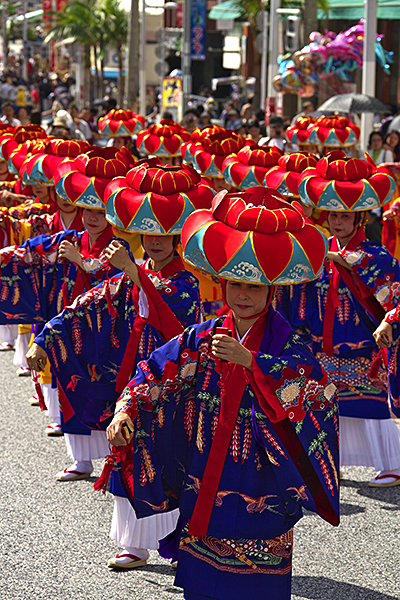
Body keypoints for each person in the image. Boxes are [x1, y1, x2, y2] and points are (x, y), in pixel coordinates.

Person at [105, 186, 339, 600]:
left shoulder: (288, 342)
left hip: (260, 468)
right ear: (222, 285)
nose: (243, 295)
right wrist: (125, 409)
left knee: (256, 574)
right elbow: (156, 369)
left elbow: (317, 390)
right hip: (206, 459)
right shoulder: (205, 336)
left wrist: (254, 363)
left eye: (254, 288)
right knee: (202, 579)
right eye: (234, 285)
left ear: (272, 290)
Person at [27, 158, 212, 568]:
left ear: (176, 236)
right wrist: (46, 337)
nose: (157, 241)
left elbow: (178, 325)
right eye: (149, 232)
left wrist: (134, 272)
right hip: (130, 377)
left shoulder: (185, 281)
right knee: (126, 450)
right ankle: (133, 542)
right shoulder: (134, 269)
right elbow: (88, 305)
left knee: (170, 457)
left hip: (171, 383)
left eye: (165, 233)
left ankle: (180, 542)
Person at [277, 151, 400, 487]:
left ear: (359, 219)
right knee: (326, 405)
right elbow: (300, 291)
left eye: (345, 216)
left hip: (362, 344)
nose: (336, 222)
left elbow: (394, 291)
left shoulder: (375, 254)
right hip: (323, 343)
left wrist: (389, 320)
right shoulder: (319, 251)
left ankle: (392, 462)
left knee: (372, 406)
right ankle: (332, 463)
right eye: (332, 215)